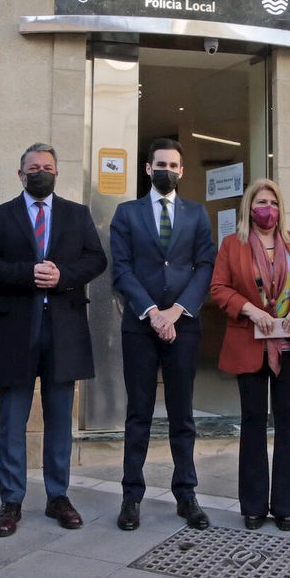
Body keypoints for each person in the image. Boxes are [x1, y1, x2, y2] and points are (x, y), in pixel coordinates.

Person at [0, 143, 107, 536]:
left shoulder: (77, 215)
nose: (40, 172)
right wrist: (27, 272)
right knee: (12, 420)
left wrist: (62, 275)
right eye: (33, 167)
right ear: (20, 174)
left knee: (60, 419)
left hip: (63, 330)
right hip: (15, 329)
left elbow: (96, 260)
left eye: (47, 166)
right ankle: (10, 501)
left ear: (57, 172)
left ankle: (57, 496)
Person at [109, 138, 217, 531]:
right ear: (147, 169)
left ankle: (186, 494)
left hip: (183, 325)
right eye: (159, 164)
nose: (166, 170)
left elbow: (205, 265)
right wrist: (153, 312)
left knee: (182, 414)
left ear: (182, 170)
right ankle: (131, 497)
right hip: (140, 326)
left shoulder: (196, 213)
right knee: (138, 413)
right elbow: (121, 269)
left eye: (173, 164)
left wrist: (176, 311)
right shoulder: (127, 213)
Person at [210, 178, 290, 530]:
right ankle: (254, 505)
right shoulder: (232, 244)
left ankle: (286, 505)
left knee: (288, 421)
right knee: (253, 422)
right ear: (248, 208)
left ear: (280, 207)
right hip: (249, 345)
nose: (267, 209)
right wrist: (249, 309)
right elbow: (219, 288)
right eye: (260, 202)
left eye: (273, 202)